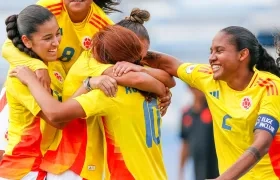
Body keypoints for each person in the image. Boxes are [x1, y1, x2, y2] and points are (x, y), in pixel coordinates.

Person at [113, 26, 280, 179]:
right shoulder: (208, 77)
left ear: (242, 55)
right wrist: (126, 58)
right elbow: (166, 63)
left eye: (219, 51)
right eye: (211, 51)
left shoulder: (270, 87)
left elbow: (262, 143)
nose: (211, 58)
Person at [11, 24, 168, 180]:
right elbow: (166, 79)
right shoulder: (148, 91)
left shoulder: (109, 91)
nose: (89, 51)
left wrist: (31, 80)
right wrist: (162, 90)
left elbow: (57, 115)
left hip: (79, 164)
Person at [0, 5, 118, 179]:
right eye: (47, 38)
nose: (56, 42)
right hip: (20, 169)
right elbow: (57, 119)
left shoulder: (55, 65)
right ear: (26, 41)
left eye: (57, 34)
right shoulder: (21, 77)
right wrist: (89, 85)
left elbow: (66, 105)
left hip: (42, 166)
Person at [178, 86, 219, 180]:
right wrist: (181, 171)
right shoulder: (186, 114)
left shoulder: (214, 110)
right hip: (198, 169)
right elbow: (185, 144)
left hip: (218, 168)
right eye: (195, 87)